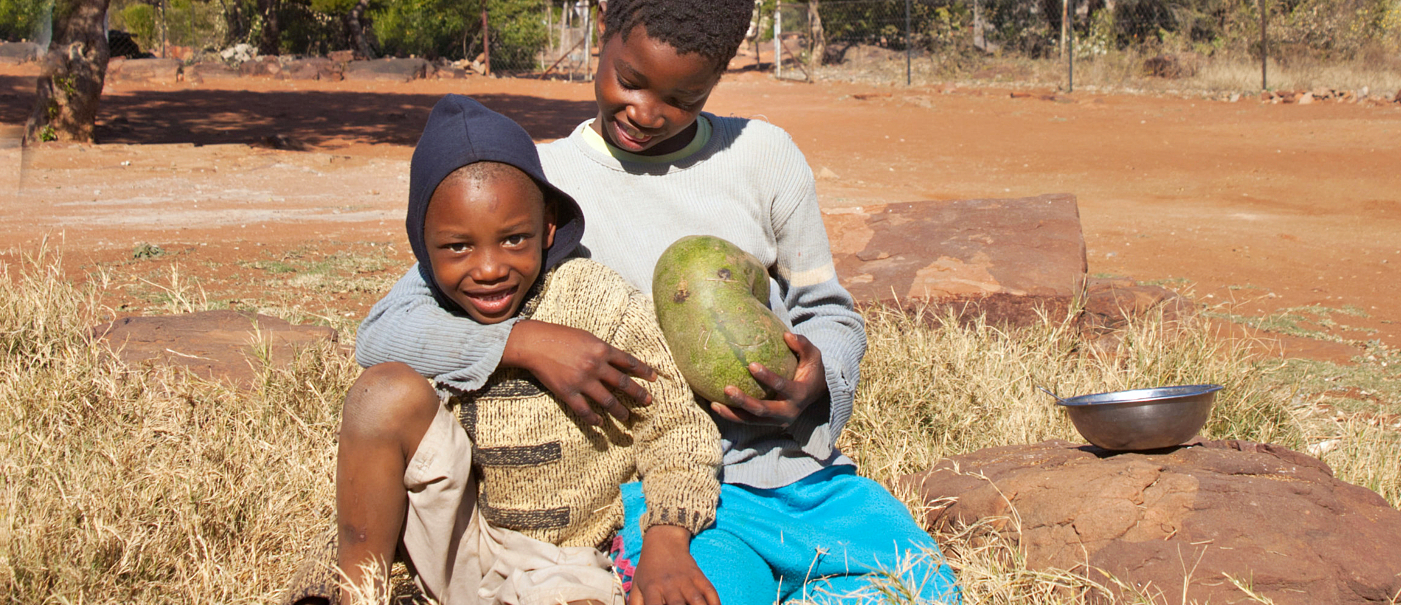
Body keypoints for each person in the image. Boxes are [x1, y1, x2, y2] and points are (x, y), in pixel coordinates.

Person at [350, 0, 961, 601]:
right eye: (630, 81)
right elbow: (388, 327)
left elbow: (827, 310)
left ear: (717, 79)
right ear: (603, 31)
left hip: (793, 472)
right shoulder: (541, 186)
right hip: (655, 486)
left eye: (682, 98)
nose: (646, 112)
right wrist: (525, 341)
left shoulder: (763, 157)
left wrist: (817, 378)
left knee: (927, 588)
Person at [287, 94, 725, 605]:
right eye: (457, 247)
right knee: (382, 391)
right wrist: (519, 342)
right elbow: (373, 348)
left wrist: (667, 539)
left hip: (569, 561)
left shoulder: (600, 303)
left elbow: (678, 427)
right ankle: (354, 588)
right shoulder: (427, 307)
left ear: (548, 227)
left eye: (515, 239)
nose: (490, 268)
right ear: (421, 244)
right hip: (456, 542)